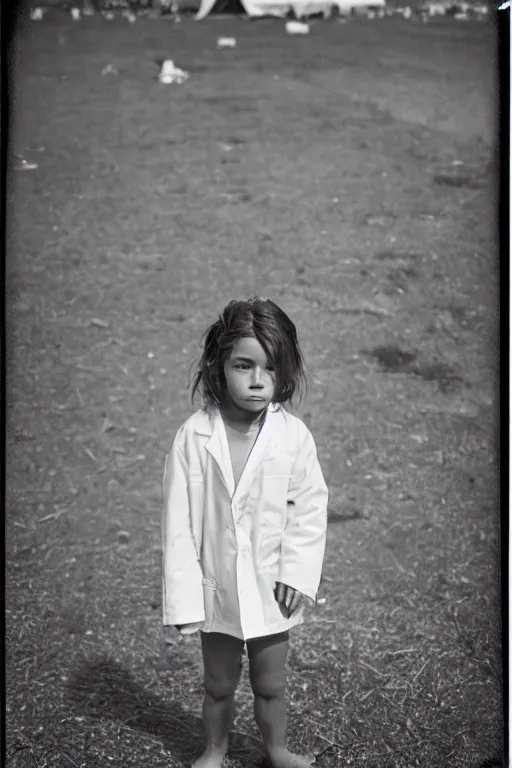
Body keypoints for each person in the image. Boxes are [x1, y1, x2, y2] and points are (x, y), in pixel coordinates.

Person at [162, 297, 328, 768]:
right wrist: (182, 596)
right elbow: (177, 522)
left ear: (286, 371)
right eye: (244, 365)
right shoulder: (193, 437)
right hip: (216, 590)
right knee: (217, 684)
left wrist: (296, 573)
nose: (258, 379)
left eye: (270, 368)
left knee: (271, 683)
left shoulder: (293, 437)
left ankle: (277, 750)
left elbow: (310, 506)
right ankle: (214, 749)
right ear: (219, 364)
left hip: (271, 590)